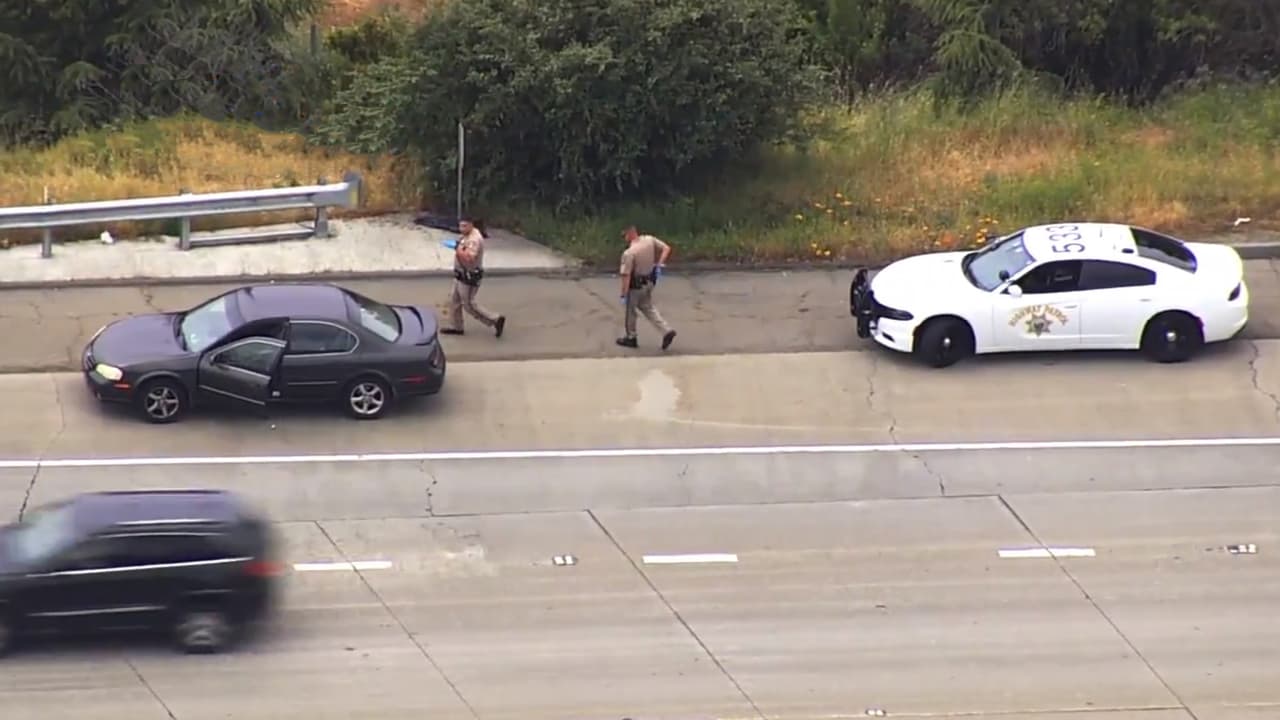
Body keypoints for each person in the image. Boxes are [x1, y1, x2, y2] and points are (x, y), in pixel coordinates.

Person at [442, 217, 506, 337]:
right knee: (454, 301)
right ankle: (457, 327)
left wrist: (456, 247)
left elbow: (469, 257)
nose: (461, 229)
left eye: (465, 226)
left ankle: (495, 320)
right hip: (461, 274)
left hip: (468, 276)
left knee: (469, 305)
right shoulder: (466, 235)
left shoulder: (474, 240)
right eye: (460, 226)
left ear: (471, 225)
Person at [617, 225, 676, 350]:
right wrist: (659, 265)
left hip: (636, 286)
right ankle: (666, 330)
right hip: (649, 282)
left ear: (629, 234)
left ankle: (631, 337)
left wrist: (624, 294)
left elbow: (626, 275)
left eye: (624, 235)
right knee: (648, 307)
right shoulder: (649, 240)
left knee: (630, 312)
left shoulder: (629, 253)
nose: (624, 238)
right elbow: (666, 248)